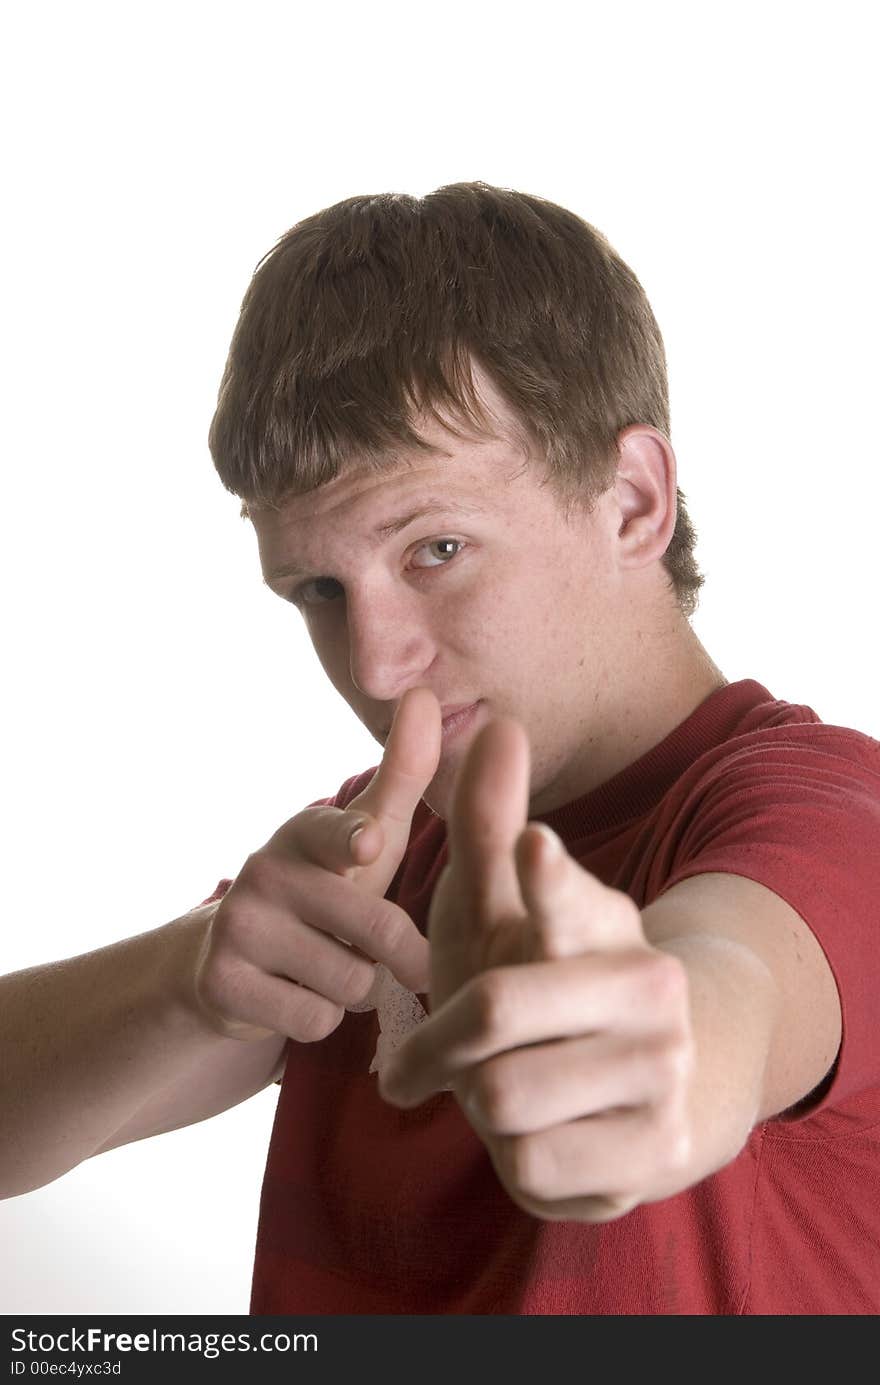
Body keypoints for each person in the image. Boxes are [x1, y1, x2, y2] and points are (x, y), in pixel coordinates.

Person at [2, 183, 878, 1315]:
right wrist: (197, 979)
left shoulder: (825, 815)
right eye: (318, 587)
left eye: (436, 547)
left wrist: (637, 1037)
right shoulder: (375, 848)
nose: (373, 664)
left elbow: (727, 993)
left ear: (630, 501)